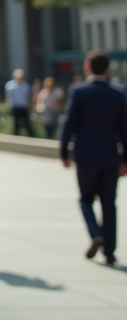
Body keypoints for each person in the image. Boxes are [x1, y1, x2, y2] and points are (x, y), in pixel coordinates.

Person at [60, 49, 127, 266]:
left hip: (86, 155)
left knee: (86, 200)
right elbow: (124, 130)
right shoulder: (117, 94)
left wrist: (64, 152)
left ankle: (96, 233)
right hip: (110, 156)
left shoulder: (79, 92)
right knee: (109, 203)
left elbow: (69, 123)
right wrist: (125, 159)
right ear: (106, 68)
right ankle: (110, 251)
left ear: (87, 67)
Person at [5, 68, 34, 137]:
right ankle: (16, 136)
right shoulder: (10, 85)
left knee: (27, 123)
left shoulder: (26, 86)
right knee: (16, 123)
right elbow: (9, 96)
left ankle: (30, 136)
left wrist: (29, 104)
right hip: (15, 107)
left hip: (24, 107)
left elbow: (28, 96)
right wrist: (9, 104)